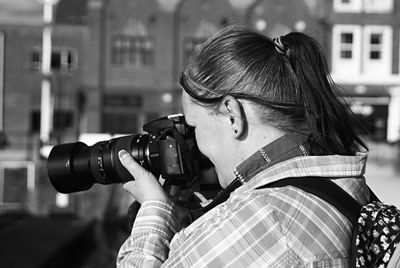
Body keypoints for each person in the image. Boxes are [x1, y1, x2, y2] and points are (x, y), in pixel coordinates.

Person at [116, 25, 370, 267]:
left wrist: (154, 210)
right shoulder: (335, 186)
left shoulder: (264, 218)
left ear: (232, 115)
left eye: (194, 127)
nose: (193, 143)